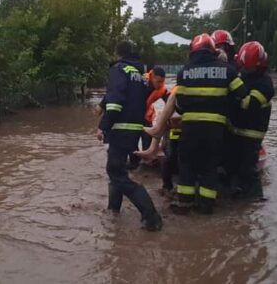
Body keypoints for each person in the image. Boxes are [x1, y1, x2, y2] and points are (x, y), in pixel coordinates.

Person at [170, 33, 247, 215]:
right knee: (209, 167)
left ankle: (185, 205)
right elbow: (242, 95)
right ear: (214, 51)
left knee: (187, 166)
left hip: (189, 130)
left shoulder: (183, 73)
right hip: (215, 130)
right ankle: (206, 207)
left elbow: (179, 106)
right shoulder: (227, 70)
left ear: (193, 51)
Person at [97, 41, 162, 231]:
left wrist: (103, 126)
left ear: (117, 53)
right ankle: (113, 210)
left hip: (120, 128)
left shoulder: (118, 69)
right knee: (118, 170)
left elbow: (116, 100)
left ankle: (151, 216)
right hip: (134, 129)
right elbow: (125, 95)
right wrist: (103, 104)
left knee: (115, 172)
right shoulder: (140, 75)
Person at [228, 41, 274, 200]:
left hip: (252, 133)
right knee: (233, 165)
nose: (245, 70)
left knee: (248, 168)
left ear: (259, 65)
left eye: (248, 67)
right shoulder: (244, 74)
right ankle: (237, 193)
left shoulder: (265, 85)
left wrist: (230, 98)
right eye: (243, 67)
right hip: (237, 131)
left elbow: (249, 105)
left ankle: (256, 199)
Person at [128, 67, 168, 170]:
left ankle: (148, 161)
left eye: (162, 81)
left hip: (147, 116)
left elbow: (169, 103)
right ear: (152, 76)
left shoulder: (162, 89)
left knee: (148, 140)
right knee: (131, 140)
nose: (160, 84)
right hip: (133, 115)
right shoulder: (140, 81)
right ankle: (134, 161)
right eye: (158, 81)